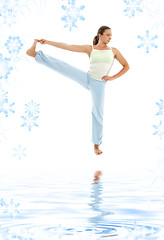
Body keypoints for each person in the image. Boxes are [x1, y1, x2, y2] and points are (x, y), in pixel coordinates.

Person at [26, 26, 129, 155]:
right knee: (65, 67)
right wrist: (47, 42)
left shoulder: (114, 51)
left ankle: (96, 145)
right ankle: (35, 54)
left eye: (111, 35)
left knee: (98, 113)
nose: (110, 38)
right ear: (100, 35)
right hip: (87, 78)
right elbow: (68, 46)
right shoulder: (90, 49)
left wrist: (112, 77)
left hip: (99, 84)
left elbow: (126, 66)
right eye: (108, 35)